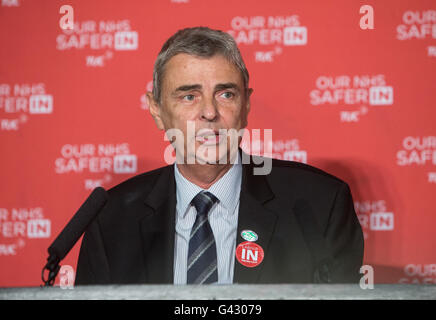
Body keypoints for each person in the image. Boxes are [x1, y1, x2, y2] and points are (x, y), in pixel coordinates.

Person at [75, 26, 364, 285]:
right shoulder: (111, 221)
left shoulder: (320, 204)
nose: (210, 112)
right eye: (189, 96)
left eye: (226, 94)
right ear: (157, 110)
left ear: (246, 104)